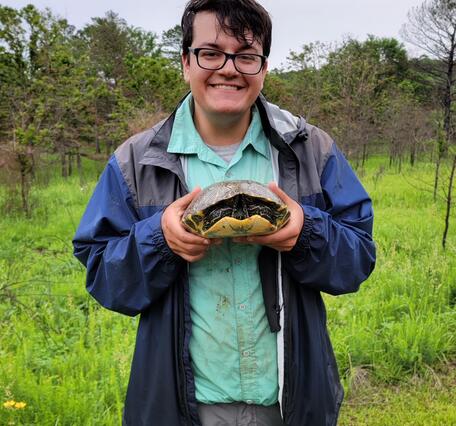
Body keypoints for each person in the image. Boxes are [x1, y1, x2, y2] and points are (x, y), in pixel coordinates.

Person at [73, 0, 376, 425]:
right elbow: (102, 276)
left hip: (290, 403)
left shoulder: (311, 151)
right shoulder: (135, 163)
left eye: (246, 55)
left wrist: (305, 231)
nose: (229, 68)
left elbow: (359, 257)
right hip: (183, 405)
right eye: (211, 52)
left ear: (263, 68)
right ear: (185, 62)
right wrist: (160, 238)